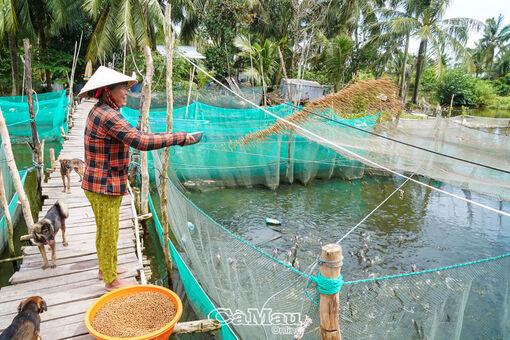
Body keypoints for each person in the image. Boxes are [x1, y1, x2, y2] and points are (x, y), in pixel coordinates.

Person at [78, 66, 200, 291]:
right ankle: (111, 281)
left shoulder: (103, 111)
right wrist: (180, 138)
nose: (127, 93)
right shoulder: (108, 115)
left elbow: (132, 134)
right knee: (108, 230)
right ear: (108, 91)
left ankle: (105, 267)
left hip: (99, 181)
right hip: (104, 184)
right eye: (122, 89)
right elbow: (141, 142)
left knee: (105, 228)